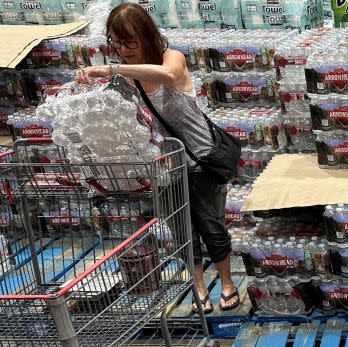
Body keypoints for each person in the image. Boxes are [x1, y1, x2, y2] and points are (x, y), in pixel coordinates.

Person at [75, 3, 239, 313]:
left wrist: (111, 68)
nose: (123, 50)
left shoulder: (171, 58)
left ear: (147, 36)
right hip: (165, 167)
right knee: (181, 229)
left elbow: (168, 75)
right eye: (116, 43)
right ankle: (200, 286)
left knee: (212, 225)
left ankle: (228, 283)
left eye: (129, 42)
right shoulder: (125, 78)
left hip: (200, 159)